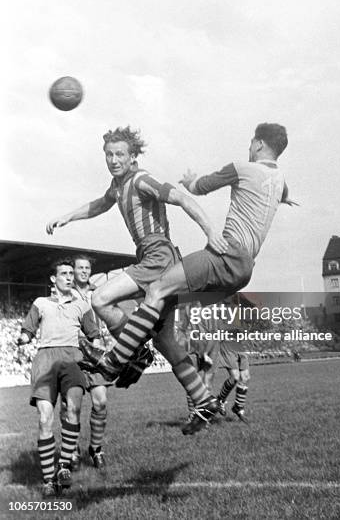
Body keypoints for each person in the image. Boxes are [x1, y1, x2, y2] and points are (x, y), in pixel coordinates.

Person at [85, 123, 296, 434]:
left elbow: (199, 188)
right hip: (244, 271)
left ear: (258, 143)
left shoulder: (242, 168)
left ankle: (118, 359)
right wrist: (286, 199)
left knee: (155, 289)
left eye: (252, 143)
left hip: (225, 255)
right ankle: (204, 400)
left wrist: (190, 181)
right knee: (164, 335)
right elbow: (284, 192)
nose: (249, 147)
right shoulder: (279, 180)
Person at [46, 126, 228, 413]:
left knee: (100, 298)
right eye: (108, 154)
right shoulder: (117, 186)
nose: (113, 160)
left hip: (158, 257)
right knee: (166, 342)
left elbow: (181, 198)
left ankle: (137, 351)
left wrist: (211, 233)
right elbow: (99, 205)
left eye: (120, 154)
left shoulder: (142, 180)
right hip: (152, 257)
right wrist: (68, 216)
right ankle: (205, 402)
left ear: (132, 157)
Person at [18, 259, 100, 497]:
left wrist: (96, 355)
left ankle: (63, 465)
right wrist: (23, 337)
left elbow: (94, 336)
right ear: (53, 279)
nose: (69, 277)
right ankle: (48, 480)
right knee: (45, 418)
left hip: (72, 357)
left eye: (71, 273)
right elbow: (28, 330)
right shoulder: (40, 303)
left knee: (73, 409)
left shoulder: (82, 306)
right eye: (63, 273)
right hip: (45, 360)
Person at [68, 254, 111, 470]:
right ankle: (72, 450)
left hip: (95, 353)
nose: (84, 271)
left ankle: (96, 449)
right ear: (73, 270)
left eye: (87, 268)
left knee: (100, 401)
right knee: (72, 406)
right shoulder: (64, 292)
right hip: (73, 352)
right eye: (80, 268)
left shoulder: (98, 292)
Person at [217, 343, 250, 423]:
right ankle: (220, 400)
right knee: (235, 377)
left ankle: (238, 407)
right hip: (227, 345)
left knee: (245, 377)